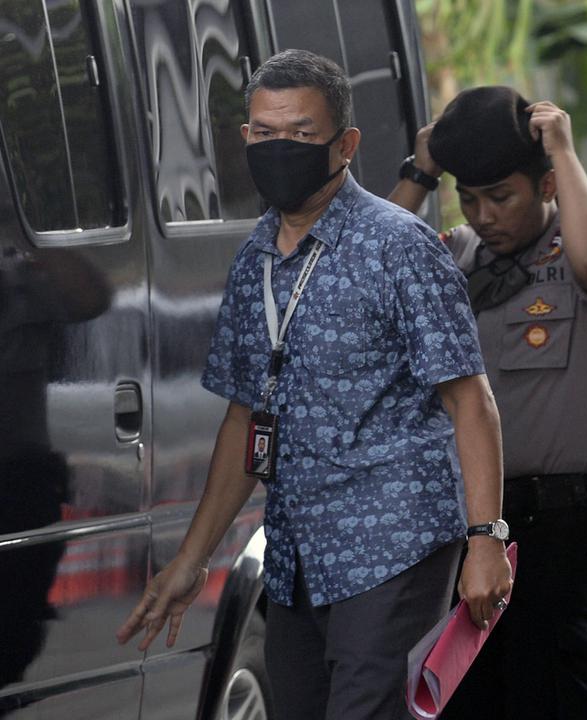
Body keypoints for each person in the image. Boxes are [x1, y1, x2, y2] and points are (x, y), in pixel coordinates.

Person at [116, 50, 512, 720]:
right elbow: (245, 420)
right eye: (264, 133)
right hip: (297, 551)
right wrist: (192, 559)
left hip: (395, 540)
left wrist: (485, 539)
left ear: (345, 144)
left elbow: (469, 400)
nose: (280, 149)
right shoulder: (255, 260)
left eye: (301, 134)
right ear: (244, 139)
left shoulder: (401, 247)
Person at [388, 86, 587, 719]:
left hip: (561, 525)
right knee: (465, 698)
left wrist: (561, 144)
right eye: (470, 198)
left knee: (559, 696)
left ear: (548, 185)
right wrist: (420, 174)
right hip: (466, 523)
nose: (484, 215)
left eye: (502, 197)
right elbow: (370, 270)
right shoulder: (452, 260)